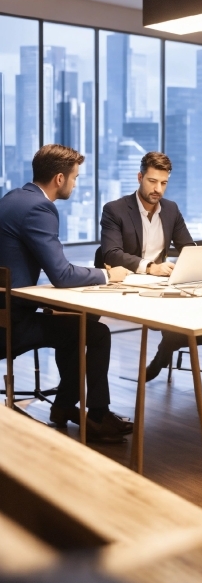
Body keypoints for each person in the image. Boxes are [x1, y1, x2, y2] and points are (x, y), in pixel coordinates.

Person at [0, 144, 132, 443]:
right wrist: (107, 275)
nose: (75, 183)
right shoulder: (40, 208)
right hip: (10, 327)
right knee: (95, 333)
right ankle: (96, 417)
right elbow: (61, 274)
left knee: (74, 326)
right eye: (75, 178)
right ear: (59, 178)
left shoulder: (11, 199)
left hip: (5, 315)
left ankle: (63, 408)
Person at [100, 151, 202, 380]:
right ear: (139, 177)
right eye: (152, 181)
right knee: (178, 325)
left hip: (162, 286)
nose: (158, 190)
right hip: (128, 286)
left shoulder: (170, 209)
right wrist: (151, 267)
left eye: (164, 183)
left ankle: (166, 350)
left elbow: (188, 247)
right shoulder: (115, 210)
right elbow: (112, 254)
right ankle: (167, 349)